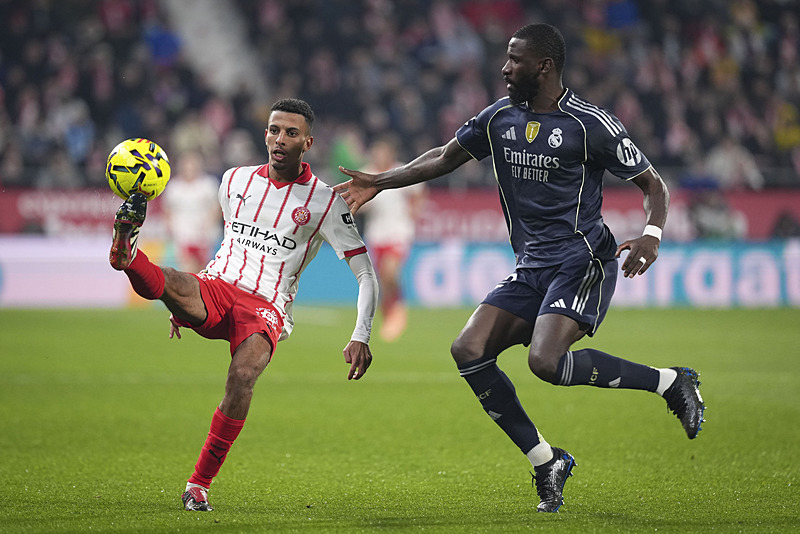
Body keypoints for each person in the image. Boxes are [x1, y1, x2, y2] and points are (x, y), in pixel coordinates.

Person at [335, 23, 705, 513]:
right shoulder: (498, 118)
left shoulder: (589, 124)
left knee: (544, 362)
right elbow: (445, 157)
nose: (505, 68)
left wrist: (652, 235)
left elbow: (653, 184)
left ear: (544, 66)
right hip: (532, 264)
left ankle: (670, 382)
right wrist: (382, 181)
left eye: (514, 60)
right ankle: (547, 461)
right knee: (467, 348)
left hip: (583, 259)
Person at [109, 98, 378, 512]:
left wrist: (361, 334)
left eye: (291, 133)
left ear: (308, 142)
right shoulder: (233, 181)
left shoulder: (326, 202)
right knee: (175, 281)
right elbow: (229, 245)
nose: (279, 139)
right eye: (273, 130)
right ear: (264, 133)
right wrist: (175, 303)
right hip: (217, 285)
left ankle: (198, 485)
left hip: (266, 305)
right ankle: (128, 257)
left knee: (244, 371)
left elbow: (366, 274)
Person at [359, 135, 426, 342]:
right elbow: (359, 202)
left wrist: (414, 212)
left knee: (390, 272)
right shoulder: (366, 173)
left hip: (399, 231)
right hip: (376, 233)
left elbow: (418, 191)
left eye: (382, 152)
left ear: (390, 154)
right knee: (382, 280)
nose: (378, 156)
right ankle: (389, 316)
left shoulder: (401, 171)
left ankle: (398, 311)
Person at [163, 150, 221, 273]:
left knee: (204, 269)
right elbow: (167, 209)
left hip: (204, 234)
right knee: (187, 270)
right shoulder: (174, 187)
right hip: (183, 234)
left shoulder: (208, 184)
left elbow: (217, 207)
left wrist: (209, 223)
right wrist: (170, 228)